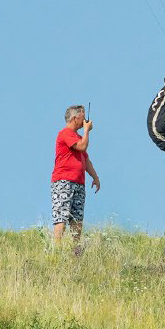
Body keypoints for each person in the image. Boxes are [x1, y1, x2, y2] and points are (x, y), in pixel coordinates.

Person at [52, 104, 100, 246]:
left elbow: (86, 160)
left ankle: (75, 251)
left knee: (77, 220)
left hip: (78, 183)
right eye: (82, 117)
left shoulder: (79, 137)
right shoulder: (65, 133)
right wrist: (86, 131)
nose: (85, 121)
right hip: (64, 182)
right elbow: (81, 146)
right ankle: (57, 250)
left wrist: (95, 177)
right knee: (61, 217)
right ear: (74, 118)